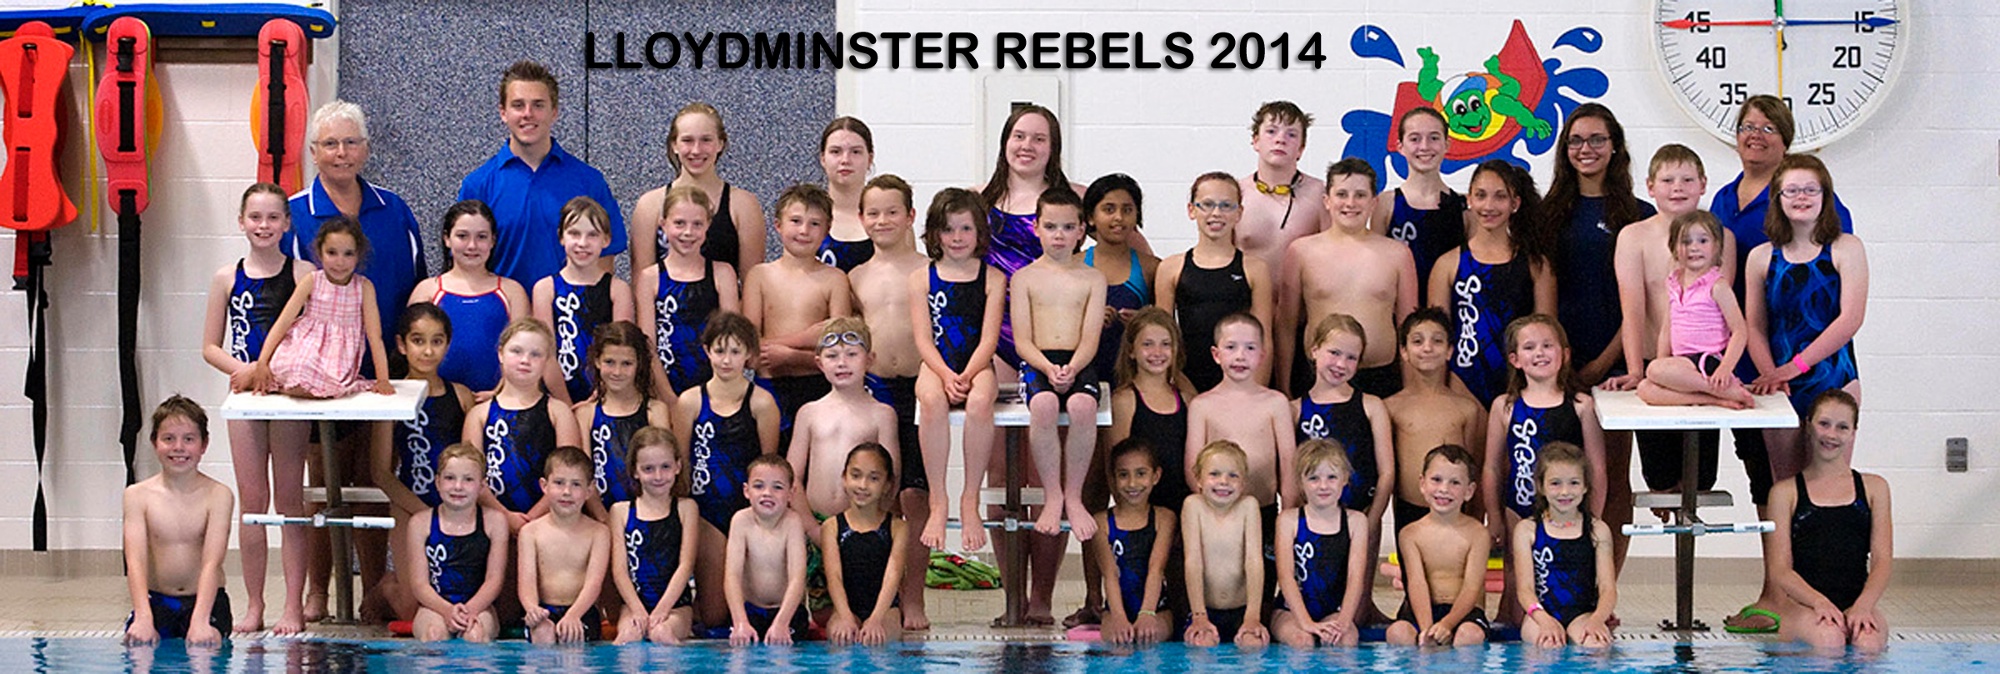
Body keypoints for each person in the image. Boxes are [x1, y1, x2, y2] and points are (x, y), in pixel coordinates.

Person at [1712, 96, 1856, 634]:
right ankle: (1778, 594)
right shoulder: (1724, 201)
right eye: (1747, 126)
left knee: (1822, 486)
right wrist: (1760, 368)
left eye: (1768, 127)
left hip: (1815, 369)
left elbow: (1846, 313)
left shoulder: (1836, 232)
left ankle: (1826, 596)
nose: (1755, 135)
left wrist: (1791, 367)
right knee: (1769, 485)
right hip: (1753, 367)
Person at [1539, 104, 1651, 563]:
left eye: (1597, 139)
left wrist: (1605, 362)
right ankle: (1561, 578)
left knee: (1612, 477)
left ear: (1615, 146)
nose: (1586, 149)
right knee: (1555, 476)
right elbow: (1541, 292)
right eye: (1576, 141)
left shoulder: (1638, 215)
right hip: (1556, 367)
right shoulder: (1548, 213)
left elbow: (1643, 302)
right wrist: (1558, 361)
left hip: (1617, 365)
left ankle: (1608, 582)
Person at [201, 182, 312, 633]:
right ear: (241, 222)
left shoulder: (303, 273)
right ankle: (254, 605)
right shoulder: (226, 278)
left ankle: (293, 606)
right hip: (246, 396)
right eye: (255, 217)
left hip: (287, 397)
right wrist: (246, 371)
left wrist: (272, 371)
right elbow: (210, 346)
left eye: (272, 218)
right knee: (253, 504)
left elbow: (314, 335)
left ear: (287, 224)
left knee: (289, 501)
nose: (263, 225)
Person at [1616, 145, 1729, 529]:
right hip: (1656, 366)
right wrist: (1635, 370)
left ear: (1703, 185)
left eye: (1687, 179)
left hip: (1702, 367)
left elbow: (1722, 312)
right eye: (1667, 180)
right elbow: (1632, 310)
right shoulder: (1634, 237)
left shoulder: (1721, 238)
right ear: (1650, 187)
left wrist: (1724, 369)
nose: (1677, 187)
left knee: (1700, 480)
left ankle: (1715, 395)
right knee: (1661, 481)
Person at [845, 175, 932, 629]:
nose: (883, 220)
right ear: (861, 219)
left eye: (892, 211)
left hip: (920, 388)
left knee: (916, 497)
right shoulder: (855, 276)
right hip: (875, 390)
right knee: (879, 495)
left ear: (910, 216)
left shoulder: (929, 269)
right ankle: (879, 598)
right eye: (874, 213)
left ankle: (913, 598)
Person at [284, 101, 425, 373]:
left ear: (366, 149)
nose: (342, 153)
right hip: (318, 373)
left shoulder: (395, 210)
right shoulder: (292, 215)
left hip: (392, 368)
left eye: (351, 142)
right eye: (330, 144)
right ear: (313, 153)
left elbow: (418, 290)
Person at [1483, 315, 1607, 622]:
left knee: (1566, 574)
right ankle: (1515, 633)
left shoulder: (1581, 405)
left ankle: (1570, 626)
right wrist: (1494, 516)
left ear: (1564, 354)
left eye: (1547, 345)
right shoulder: (1505, 406)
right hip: (1518, 507)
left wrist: (1594, 516)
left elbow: (1597, 468)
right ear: (1515, 359)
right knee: (1516, 578)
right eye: (1529, 347)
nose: (1539, 353)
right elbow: (1492, 467)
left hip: (1567, 508)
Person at [459, 60, 625, 287]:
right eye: (518, 105)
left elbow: (605, 260)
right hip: (504, 308)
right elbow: (464, 265)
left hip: (570, 309)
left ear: (554, 112)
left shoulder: (588, 181)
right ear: (503, 113)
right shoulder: (478, 186)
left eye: (538, 105)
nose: (528, 114)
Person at [1076, 307, 1194, 628]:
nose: (1157, 353)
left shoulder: (1186, 398)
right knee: (1136, 596)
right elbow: (1115, 467)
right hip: (1141, 512)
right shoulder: (1125, 399)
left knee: (1179, 610)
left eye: (1166, 344)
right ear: (1131, 351)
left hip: (1176, 509)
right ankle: (1098, 604)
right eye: (1147, 344)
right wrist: (1135, 520)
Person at [910, 188, 1005, 552]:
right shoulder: (922, 278)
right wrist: (947, 375)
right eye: (948, 229)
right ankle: (939, 499)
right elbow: (923, 339)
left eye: (966, 228)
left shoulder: (992, 278)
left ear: (980, 233)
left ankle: (970, 499)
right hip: (936, 364)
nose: (957, 237)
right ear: (934, 234)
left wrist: (966, 374)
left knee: (981, 402)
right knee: (932, 401)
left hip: (977, 363)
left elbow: (989, 339)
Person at [1011, 187, 1108, 540]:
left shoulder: (1093, 278)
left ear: (1082, 230)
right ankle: (1053, 494)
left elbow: (1090, 338)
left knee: (1083, 406)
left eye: (1068, 227)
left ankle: (1073, 495)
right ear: (1036, 227)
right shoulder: (1023, 278)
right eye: (1051, 226)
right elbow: (1022, 341)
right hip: (1038, 361)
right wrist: (1048, 368)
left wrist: (1073, 367)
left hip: (1078, 360)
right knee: (1044, 405)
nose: (1059, 235)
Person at [368, 303, 474, 622]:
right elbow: (380, 472)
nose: (428, 351)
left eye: (436, 341)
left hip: (454, 504)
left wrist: (453, 509)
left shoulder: (461, 396)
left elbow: (472, 462)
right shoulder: (389, 397)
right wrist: (421, 511)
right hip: (409, 504)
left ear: (447, 344)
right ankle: (384, 588)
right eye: (418, 341)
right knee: (410, 609)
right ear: (402, 345)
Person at [673, 312, 780, 628]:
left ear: (749, 354)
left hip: (747, 512)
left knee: (744, 612)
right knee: (715, 617)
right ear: (707, 351)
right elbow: (681, 465)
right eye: (719, 351)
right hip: (705, 514)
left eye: (735, 351)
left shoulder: (762, 403)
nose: (726, 360)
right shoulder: (690, 402)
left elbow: (769, 467)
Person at [1276, 158, 1416, 399]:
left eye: (1360, 195)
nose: (1350, 203)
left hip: (1380, 379)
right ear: (1327, 201)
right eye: (1341, 194)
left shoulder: (1398, 254)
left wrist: (1411, 391)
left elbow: (1409, 329)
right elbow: (1286, 326)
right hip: (1315, 378)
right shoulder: (1301, 252)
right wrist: (1283, 387)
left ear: (1374, 202)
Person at [1185, 312, 1295, 609]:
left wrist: (1289, 515)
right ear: (1216, 354)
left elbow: (1288, 465)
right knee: (1222, 592)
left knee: (1261, 595)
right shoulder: (1202, 405)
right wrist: (1213, 510)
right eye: (1231, 347)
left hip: (1265, 511)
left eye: (1250, 348)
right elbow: (1193, 468)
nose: (1240, 356)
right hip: (1216, 515)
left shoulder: (1276, 403)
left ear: (1262, 355)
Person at [1766, 391, 1890, 652]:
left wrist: (1863, 606)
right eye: (1824, 424)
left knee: (1868, 644)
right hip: (1803, 607)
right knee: (1829, 639)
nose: (1831, 434)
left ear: (1853, 433)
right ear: (1808, 425)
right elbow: (1780, 570)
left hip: (1857, 601)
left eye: (1842, 427)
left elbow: (1882, 561)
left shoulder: (1874, 488)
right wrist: (1819, 602)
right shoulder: (1785, 493)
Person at [1290, 314, 1394, 622]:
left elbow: (1387, 472)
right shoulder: (1295, 410)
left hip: (1361, 515)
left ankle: (1366, 610)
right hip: (1314, 520)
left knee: (1355, 613)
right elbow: (1291, 473)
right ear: (1314, 350)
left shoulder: (1371, 405)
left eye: (1351, 357)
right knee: (1318, 600)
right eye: (1334, 353)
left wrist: (1372, 519)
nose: (1341, 363)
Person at [1428, 160, 1555, 407]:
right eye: (1481, 195)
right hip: (1464, 380)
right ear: (1469, 199)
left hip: (1520, 380)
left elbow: (1548, 334)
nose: (1489, 206)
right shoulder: (1447, 265)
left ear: (1515, 203)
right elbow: (1437, 337)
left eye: (1500, 196)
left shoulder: (1536, 265)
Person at [744, 184, 852, 447]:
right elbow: (750, 351)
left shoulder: (835, 279)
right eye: (795, 221)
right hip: (769, 387)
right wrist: (808, 338)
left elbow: (841, 352)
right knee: (770, 462)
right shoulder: (760, 276)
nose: (804, 230)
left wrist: (789, 355)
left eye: (814, 224)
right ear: (778, 225)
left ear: (827, 230)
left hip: (819, 387)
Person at [122, 396, 234, 647]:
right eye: (169, 438)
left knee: (203, 651)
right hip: (157, 601)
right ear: (154, 442)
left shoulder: (218, 495)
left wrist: (200, 620)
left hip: (207, 602)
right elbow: (135, 561)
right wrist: (143, 617)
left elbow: (212, 562)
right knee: (139, 649)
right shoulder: (137, 496)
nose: (178, 447)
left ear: (204, 444)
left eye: (189, 439)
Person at [246, 216, 396, 400]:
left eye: (348, 254)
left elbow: (375, 337)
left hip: (337, 357)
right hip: (305, 346)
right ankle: (257, 372)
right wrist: (262, 361)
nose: (340, 262)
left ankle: (277, 383)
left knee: (322, 383)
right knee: (299, 367)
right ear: (320, 252)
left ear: (358, 255)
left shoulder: (363, 287)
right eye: (332, 253)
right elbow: (283, 322)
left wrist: (383, 379)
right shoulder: (312, 280)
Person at [462, 318, 583, 532]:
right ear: (500, 353)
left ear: (547, 361)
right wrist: (506, 517)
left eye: (535, 354)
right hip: (492, 522)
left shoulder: (559, 412)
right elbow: (471, 475)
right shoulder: (479, 415)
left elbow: (570, 474)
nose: (525, 360)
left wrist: (532, 519)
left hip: (550, 523)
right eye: (516, 351)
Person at [1158, 172, 1274, 390]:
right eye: (1207, 205)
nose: (1216, 213)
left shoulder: (1255, 269)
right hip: (1187, 382)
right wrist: (1182, 389)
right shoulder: (1171, 268)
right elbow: (1163, 338)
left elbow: (1264, 338)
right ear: (1191, 210)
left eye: (1226, 205)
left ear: (1239, 213)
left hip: (1240, 382)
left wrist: (1254, 392)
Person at [788, 317, 901, 525]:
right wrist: (811, 527)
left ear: (869, 360)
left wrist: (869, 526)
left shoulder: (882, 415)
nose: (842, 363)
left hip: (863, 525)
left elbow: (891, 479)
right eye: (832, 356)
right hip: (814, 523)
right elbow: (791, 477)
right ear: (819, 363)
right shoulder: (808, 413)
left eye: (851, 354)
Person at [632, 102, 766, 277]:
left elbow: (752, 283)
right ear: (674, 145)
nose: (696, 150)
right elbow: (641, 280)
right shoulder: (650, 205)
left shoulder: (743, 205)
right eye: (687, 141)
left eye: (706, 140)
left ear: (720, 144)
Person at [1637, 211, 1755, 409]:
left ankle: (1723, 388)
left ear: (1716, 247)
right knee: (1645, 388)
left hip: (1707, 360)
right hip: (1683, 363)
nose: (1694, 247)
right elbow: (1667, 328)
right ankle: (1715, 398)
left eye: (1703, 241)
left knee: (1654, 370)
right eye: (1685, 241)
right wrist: (1663, 361)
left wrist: (1726, 368)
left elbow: (1739, 330)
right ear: (1674, 248)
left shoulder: (1717, 285)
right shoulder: (1673, 282)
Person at [1384, 308, 1486, 535]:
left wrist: (1474, 516)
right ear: (1404, 351)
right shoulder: (1391, 407)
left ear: (1450, 351)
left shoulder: (1466, 408)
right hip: (1409, 511)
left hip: (1455, 511)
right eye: (1417, 341)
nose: (1427, 348)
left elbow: (1471, 468)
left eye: (1437, 341)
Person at [410, 201, 529, 393]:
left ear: (493, 240)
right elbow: (411, 353)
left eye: (481, 237)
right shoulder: (427, 291)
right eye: (462, 236)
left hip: (498, 399)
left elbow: (525, 350)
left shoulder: (512, 292)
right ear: (447, 239)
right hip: (438, 399)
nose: (472, 245)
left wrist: (501, 392)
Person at [636, 185, 741, 398]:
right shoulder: (649, 278)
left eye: (697, 224)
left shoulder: (723, 274)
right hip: (664, 391)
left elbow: (731, 339)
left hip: (714, 392)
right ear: (663, 225)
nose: (688, 232)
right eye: (679, 223)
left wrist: (717, 396)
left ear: (708, 225)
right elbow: (648, 347)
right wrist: (669, 399)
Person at [1512, 441, 1617, 649]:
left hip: (1583, 614)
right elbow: (1525, 590)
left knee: (1596, 646)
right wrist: (1544, 620)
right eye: (1555, 483)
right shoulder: (1527, 530)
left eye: (1574, 483)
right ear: (1541, 487)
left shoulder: (1597, 530)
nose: (1565, 491)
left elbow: (1608, 589)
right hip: (1540, 614)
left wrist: (1598, 619)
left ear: (1585, 486)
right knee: (1548, 645)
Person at [1385, 444, 1491, 647]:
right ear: (1422, 484)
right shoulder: (1410, 534)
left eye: (1455, 482)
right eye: (1436, 480)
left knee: (1469, 636)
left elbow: (1472, 587)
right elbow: (1416, 583)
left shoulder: (1478, 534)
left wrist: (1446, 624)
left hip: (1464, 613)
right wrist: (1427, 629)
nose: (1444, 489)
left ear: (1469, 491)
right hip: (1421, 610)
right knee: (1397, 633)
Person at [534, 197, 635, 405]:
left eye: (592, 235)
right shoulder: (545, 289)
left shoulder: (617, 290)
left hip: (606, 398)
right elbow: (546, 355)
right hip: (556, 397)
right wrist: (565, 404)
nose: (582, 243)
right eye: (574, 233)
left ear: (606, 240)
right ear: (561, 237)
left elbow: (621, 350)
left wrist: (598, 398)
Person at [1271, 439, 1370, 648]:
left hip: (1334, 611)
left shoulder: (1356, 522)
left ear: (1345, 479)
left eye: (1331, 477)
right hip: (1290, 612)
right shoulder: (1288, 521)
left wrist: (1343, 622)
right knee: (1302, 641)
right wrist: (1306, 623)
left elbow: (1355, 579)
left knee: (1345, 640)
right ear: (1300, 482)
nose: (1323, 486)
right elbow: (1285, 577)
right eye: (1313, 478)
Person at [407, 444, 509, 643]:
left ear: (482, 486)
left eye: (468, 479)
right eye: (450, 478)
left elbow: (494, 580)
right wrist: (447, 610)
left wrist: (469, 610)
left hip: (480, 607)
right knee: (434, 635)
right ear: (437, 482)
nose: (458, 486)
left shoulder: (495, 522)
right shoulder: (420, 523)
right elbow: (419, 585)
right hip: (434, 607)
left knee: (475, 636)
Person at [608, 426, 700, 644]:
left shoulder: (686, 508)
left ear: (678, 466)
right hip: (633, 605)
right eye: (648, 469)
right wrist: (637, 610)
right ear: (635, 471)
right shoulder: (620, 512)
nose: (658, 476)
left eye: (665, 467)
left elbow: (686, 565)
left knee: (661, 634)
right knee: (628, 637)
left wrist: (662, 609)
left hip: (676, 607)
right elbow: (619, 571)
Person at [1089, 438, 1179, 645]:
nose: (1132, 483)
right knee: (1118, 644)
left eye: (1141, 474)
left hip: (1156, 608)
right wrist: (1119, 617)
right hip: (1115, 609)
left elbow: (1156, 569)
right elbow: (1110, 574)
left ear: (1156, 476)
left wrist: (1147, 613)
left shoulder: (1164, 518)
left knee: (1149, 640)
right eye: (1123, 475)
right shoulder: (1101, 522)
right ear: (1113, 478)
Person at [518, 446, 611, 644]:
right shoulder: (530, 532)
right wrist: (532, 609)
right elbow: (526, 583)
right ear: (544, 486)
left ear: (589, 490)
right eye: (559, 483)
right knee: (543, 633)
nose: (566, 492)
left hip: (582, 611)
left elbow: (594, 584)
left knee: (572, 638)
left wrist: (574, 615)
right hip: (544, 610)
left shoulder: (599, 533)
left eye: (576, 484)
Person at [1180, 440, 1269, 649]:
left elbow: (1254, 562)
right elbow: (1193, 562)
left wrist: (1253, 616)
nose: (1224, 482)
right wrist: (1199, 615)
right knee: (1202, 645)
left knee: (1253, 645)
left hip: (1243, 611)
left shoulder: (1249, 506)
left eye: (1233, 475)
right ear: (1198, 479)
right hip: (1204, 610)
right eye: (1214, 474)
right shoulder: (1193, 506)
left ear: (1244, 482)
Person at [573, 322, 671, 510]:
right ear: (597, 361)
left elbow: (663, 473)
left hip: (647, 514)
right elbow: (583, 477)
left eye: (626, 364)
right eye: (610, 362)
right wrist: (603, 518)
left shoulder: (655, 411)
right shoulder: (586, 414)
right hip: (600, 515)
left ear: (639, 364)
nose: (617, 372)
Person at [819, 443, 908, 645]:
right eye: (856, 475)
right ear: (844, 477)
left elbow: (893, 577)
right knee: (841, 639)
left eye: (874, 478)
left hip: (886, 611)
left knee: (878, 641)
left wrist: (876, 619)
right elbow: (834, 577)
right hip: (845, 608)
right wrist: (845, 617)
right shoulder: (831, 527)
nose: (863, 485)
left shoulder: (898, 527)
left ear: (887, 484)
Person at [1373, 107, 1466, 301]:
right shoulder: (1386, 203)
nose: (1424, 146)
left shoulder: (1463, 207)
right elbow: (1377, 269)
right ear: (1400, 147)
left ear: (1447, 144)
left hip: (1448, 310)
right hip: (1399, 310)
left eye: (1434, 138)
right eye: (1415, 139)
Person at [1082, 173, 1158, 389]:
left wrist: (1143, 323)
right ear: (1091, 217)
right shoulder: (1074, 266)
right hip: (1084, 376)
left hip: (1135, 377)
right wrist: (1088, 320)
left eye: (1127, 210)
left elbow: (1166, 326)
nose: (1118, 217)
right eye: (1109, 209)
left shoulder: (1151, 268)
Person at [726, 455, 811, 646]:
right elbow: (732, 575)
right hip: (750, 612)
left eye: (777, 487)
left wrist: (782, 622)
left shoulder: (793, 522)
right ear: (746, 491)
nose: (767, 493)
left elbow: (798, 577)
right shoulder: (741, 521)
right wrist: (740, 622)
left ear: (791, 493)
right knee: (740, 654)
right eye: (758, 486)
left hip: (788, 613)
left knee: (784, 655)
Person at [1236, 101, 1327, 272]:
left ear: (1301, 149)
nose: (1280, 140)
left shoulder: (1320, 194)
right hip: (1247, 289)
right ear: (1256, 141)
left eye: (1291, 134)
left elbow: (1334, 255)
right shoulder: (1237, 193)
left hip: (1302, 290)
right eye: (1271, 131)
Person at [817, 116, 878, 272]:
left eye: (855, 152)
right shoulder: (808, 215)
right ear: (823, 159)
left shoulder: (890, 217)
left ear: (870, 159)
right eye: (835, 152)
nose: (845, 160)